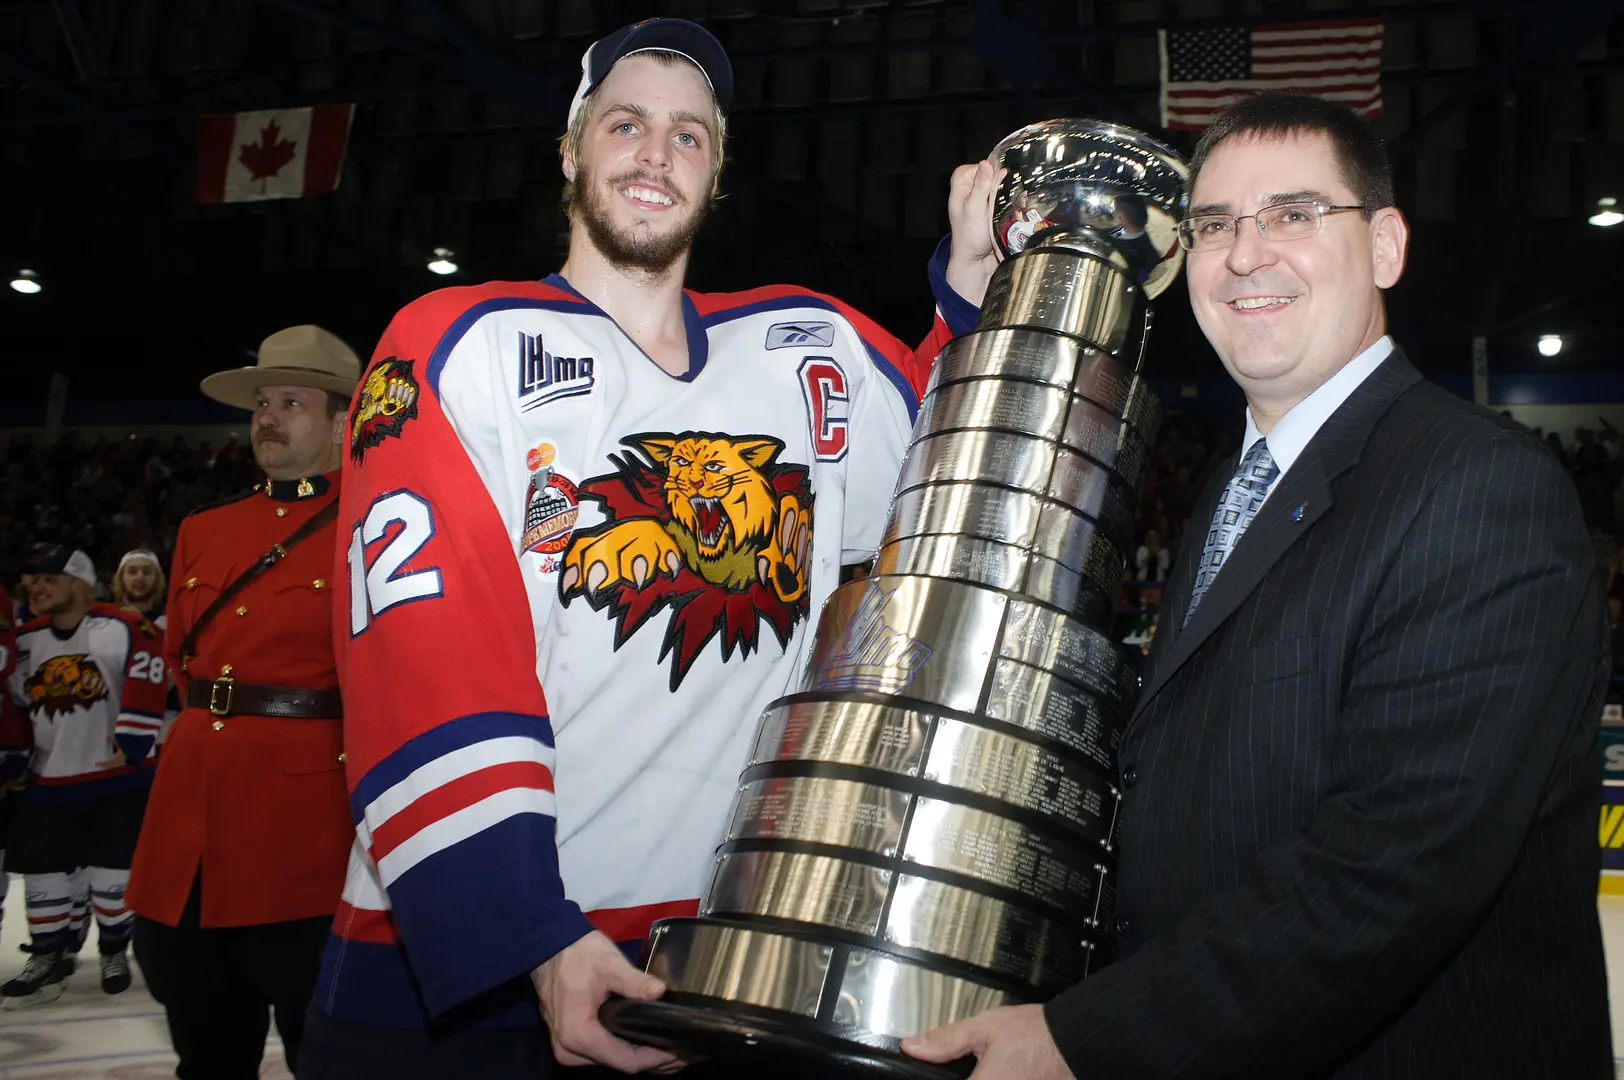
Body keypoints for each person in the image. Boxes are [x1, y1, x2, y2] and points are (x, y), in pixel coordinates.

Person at [298, 16, 998, 1079]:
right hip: (473, 957)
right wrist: (525, 927)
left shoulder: (816, 347)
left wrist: (982, 293)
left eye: (688, 135)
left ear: (717, 175)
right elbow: (423, 645)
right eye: (624, 124)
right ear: (572, 150)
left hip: (723, 955)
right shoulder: (459, 340)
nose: (654, 153)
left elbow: (954, 459)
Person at [903, 92, 1612, 1078]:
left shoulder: (1476, 488)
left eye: (1291, 213)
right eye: (1213, 225)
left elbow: (1388, 875)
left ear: (1384, 247)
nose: (1244, 253)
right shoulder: (1229, 493)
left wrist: (1083, 1039)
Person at [127, 327, 359, 1077]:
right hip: (186, 825)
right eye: (262, 402)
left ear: (341, 422)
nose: (268, 418)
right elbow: (178, 662)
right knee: (203, 1045)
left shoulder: (373, 528)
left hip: (300, 834)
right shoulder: (204, 529)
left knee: (318, 1051)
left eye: (292, 402)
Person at [1, 544, 166, 1006]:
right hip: (48, 780)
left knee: (111, 877)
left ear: (79, 583)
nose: (37, 587)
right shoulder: (25, 640)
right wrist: (14, 757)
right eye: (33, 580)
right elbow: (15, 705)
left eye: (49, 578)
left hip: (115, 781)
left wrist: (133, 742)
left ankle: (114, 950)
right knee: (43, 877)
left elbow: (149, 674)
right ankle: (47, 956)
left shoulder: (124, 626)